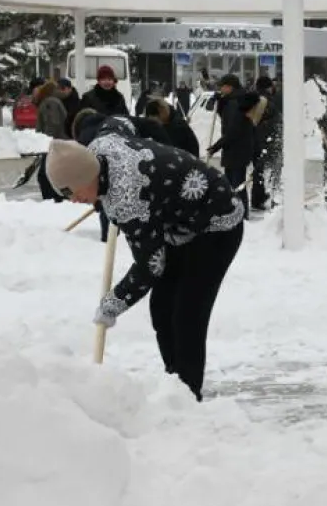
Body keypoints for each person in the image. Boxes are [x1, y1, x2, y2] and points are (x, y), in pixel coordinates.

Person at [45, 135, 246, 401]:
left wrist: (114, 302)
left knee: (187, 313)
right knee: (162, 308)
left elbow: (151, 265)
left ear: (87, 176)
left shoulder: (127, 197)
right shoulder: (101, 148)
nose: (72, 200)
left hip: (216, 225)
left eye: (71, 191)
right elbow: (122, 125)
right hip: (178, 224)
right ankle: (173, 385)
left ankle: (187, 396)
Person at [207, 73, 258, 204]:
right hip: (236, 149)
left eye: (222, 87)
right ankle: (237, 213)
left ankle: (240, 214)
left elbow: (232, 131)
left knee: (236, 186)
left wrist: (215, 147)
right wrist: (221, 103)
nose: (221, 90)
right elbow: (227, 120)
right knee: (233, 185)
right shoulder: (234, 100)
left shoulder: (236, 103)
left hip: (236, 149)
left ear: (230, 87)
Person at [250, 74, 282, 212]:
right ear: (269, 87)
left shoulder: (253, 99)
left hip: (254, 139)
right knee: (265, 171)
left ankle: (259, 197)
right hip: (265, 140)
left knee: (259, 170)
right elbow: (273, 122)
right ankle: (261, 199)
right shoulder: (267, 101)